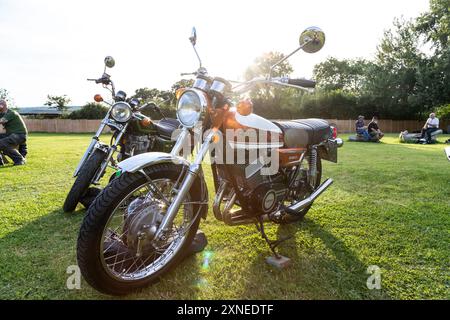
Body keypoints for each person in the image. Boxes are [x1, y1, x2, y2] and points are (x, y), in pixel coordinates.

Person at [0, 100, 28, 166]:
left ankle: (19, 159)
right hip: (11, 135)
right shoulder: (1, 114)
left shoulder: (11, 113)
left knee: (1, 143)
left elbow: (2, 121)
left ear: (2, 106)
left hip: (20, 135)